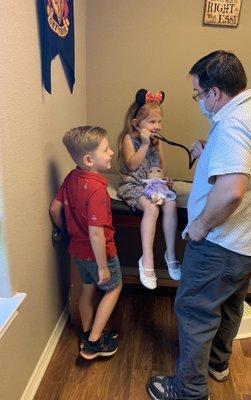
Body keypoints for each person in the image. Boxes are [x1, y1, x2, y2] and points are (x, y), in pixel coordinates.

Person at [147, 50, 251, 399]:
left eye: (198, 94)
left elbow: (231, 192)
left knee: (194, 310)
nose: (199, 101)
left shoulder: (233, 124)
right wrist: (209, 151)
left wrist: (198, 228)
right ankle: (217, 364)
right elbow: (244, 165)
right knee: (229, 304)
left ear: (215, 93)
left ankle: (189, 390)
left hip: (223, 243)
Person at [49, 126, 123, 360]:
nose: (111, 152)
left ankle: (88, 332)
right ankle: (93, 344)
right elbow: (96, 233)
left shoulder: (72, 176)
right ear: (89, 159)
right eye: (106, 149)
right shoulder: (98, 189)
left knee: (87, 291)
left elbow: (54, 208)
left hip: (78, 253)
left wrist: (64, 231)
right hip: (100, 255)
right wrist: (103, 266)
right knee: (114, 289)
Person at [117, 89, 181, 289]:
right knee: (152, 208)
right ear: (137, 123)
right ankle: (147, 259)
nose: (157, 126)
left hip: (154, 184)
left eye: (159, 121)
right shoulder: (128, 138)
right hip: (133, 184)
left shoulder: (158, 140)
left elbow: (161, 165)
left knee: (171, 203)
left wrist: (165, 178)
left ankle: (170, 252)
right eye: (152, 122)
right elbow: (132, 165)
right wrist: (144, 144)